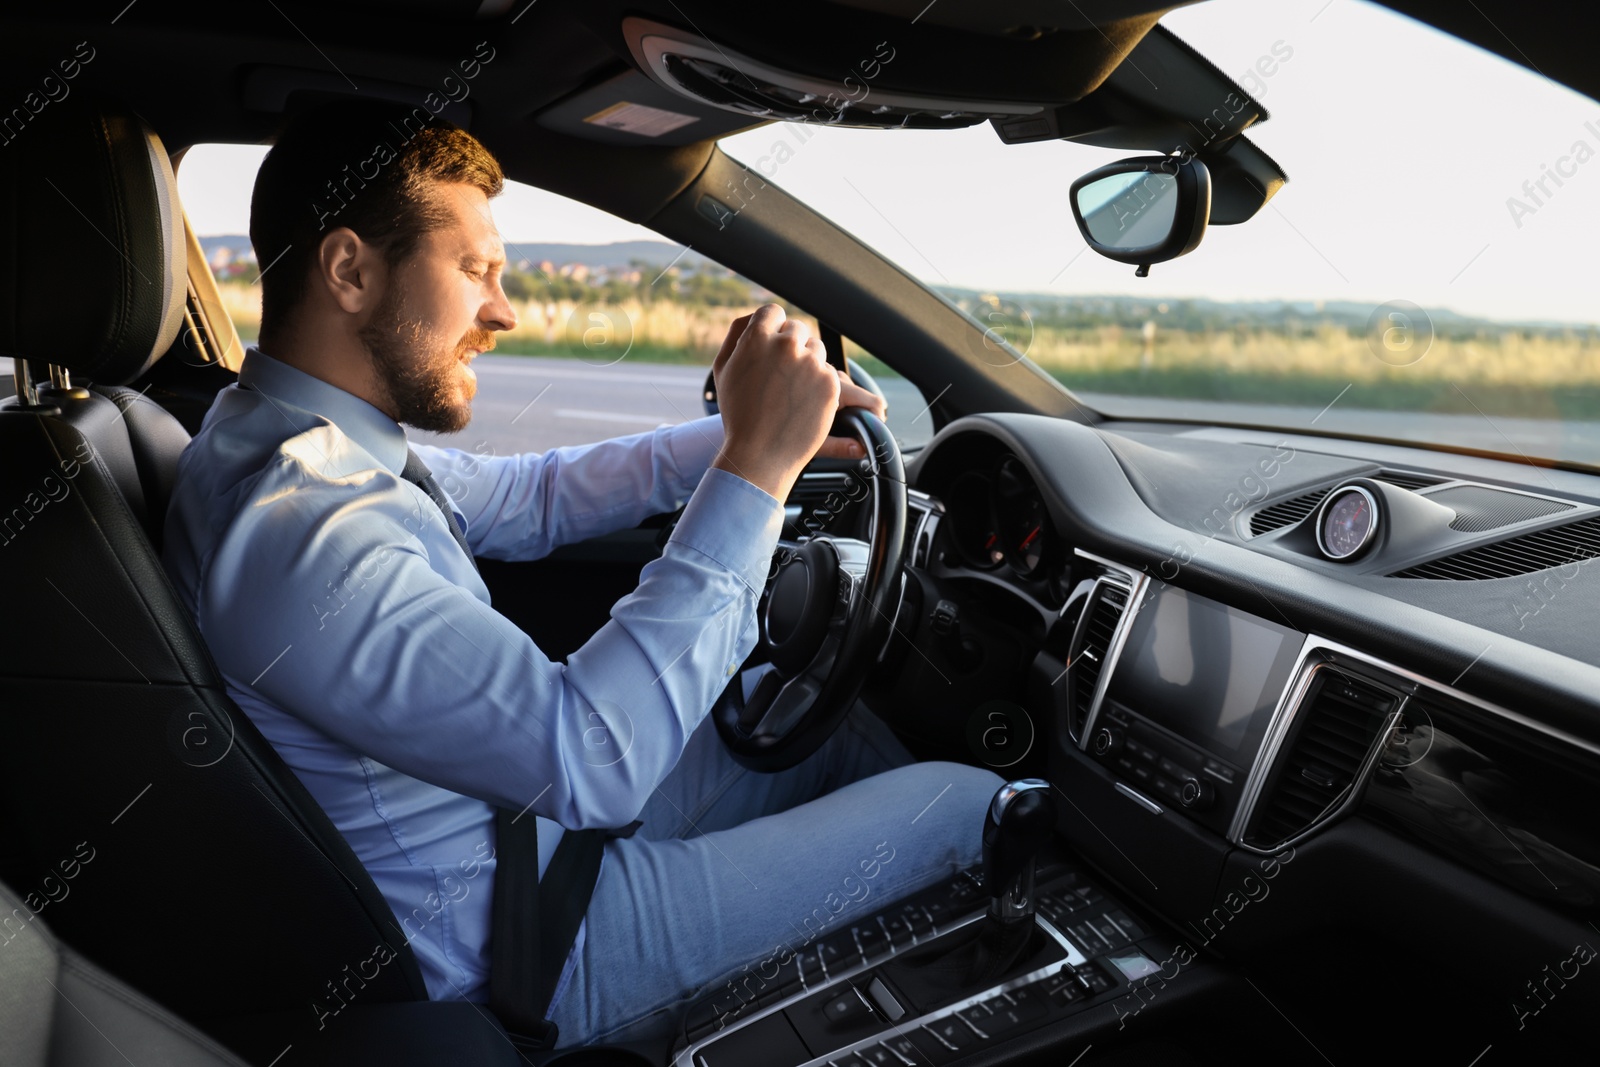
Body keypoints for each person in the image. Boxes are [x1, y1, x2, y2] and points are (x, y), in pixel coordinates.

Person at [161, 100, 1002, 1049]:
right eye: (475, 269)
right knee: (968, 809)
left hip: (524, 844)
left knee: (814, 724)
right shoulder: (304, 529)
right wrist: (754, 470)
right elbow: (592, 759)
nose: (503, 310)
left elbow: (534, 495)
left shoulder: (292, 439)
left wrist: (749, 438)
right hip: (536, 945)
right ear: (351, 270)